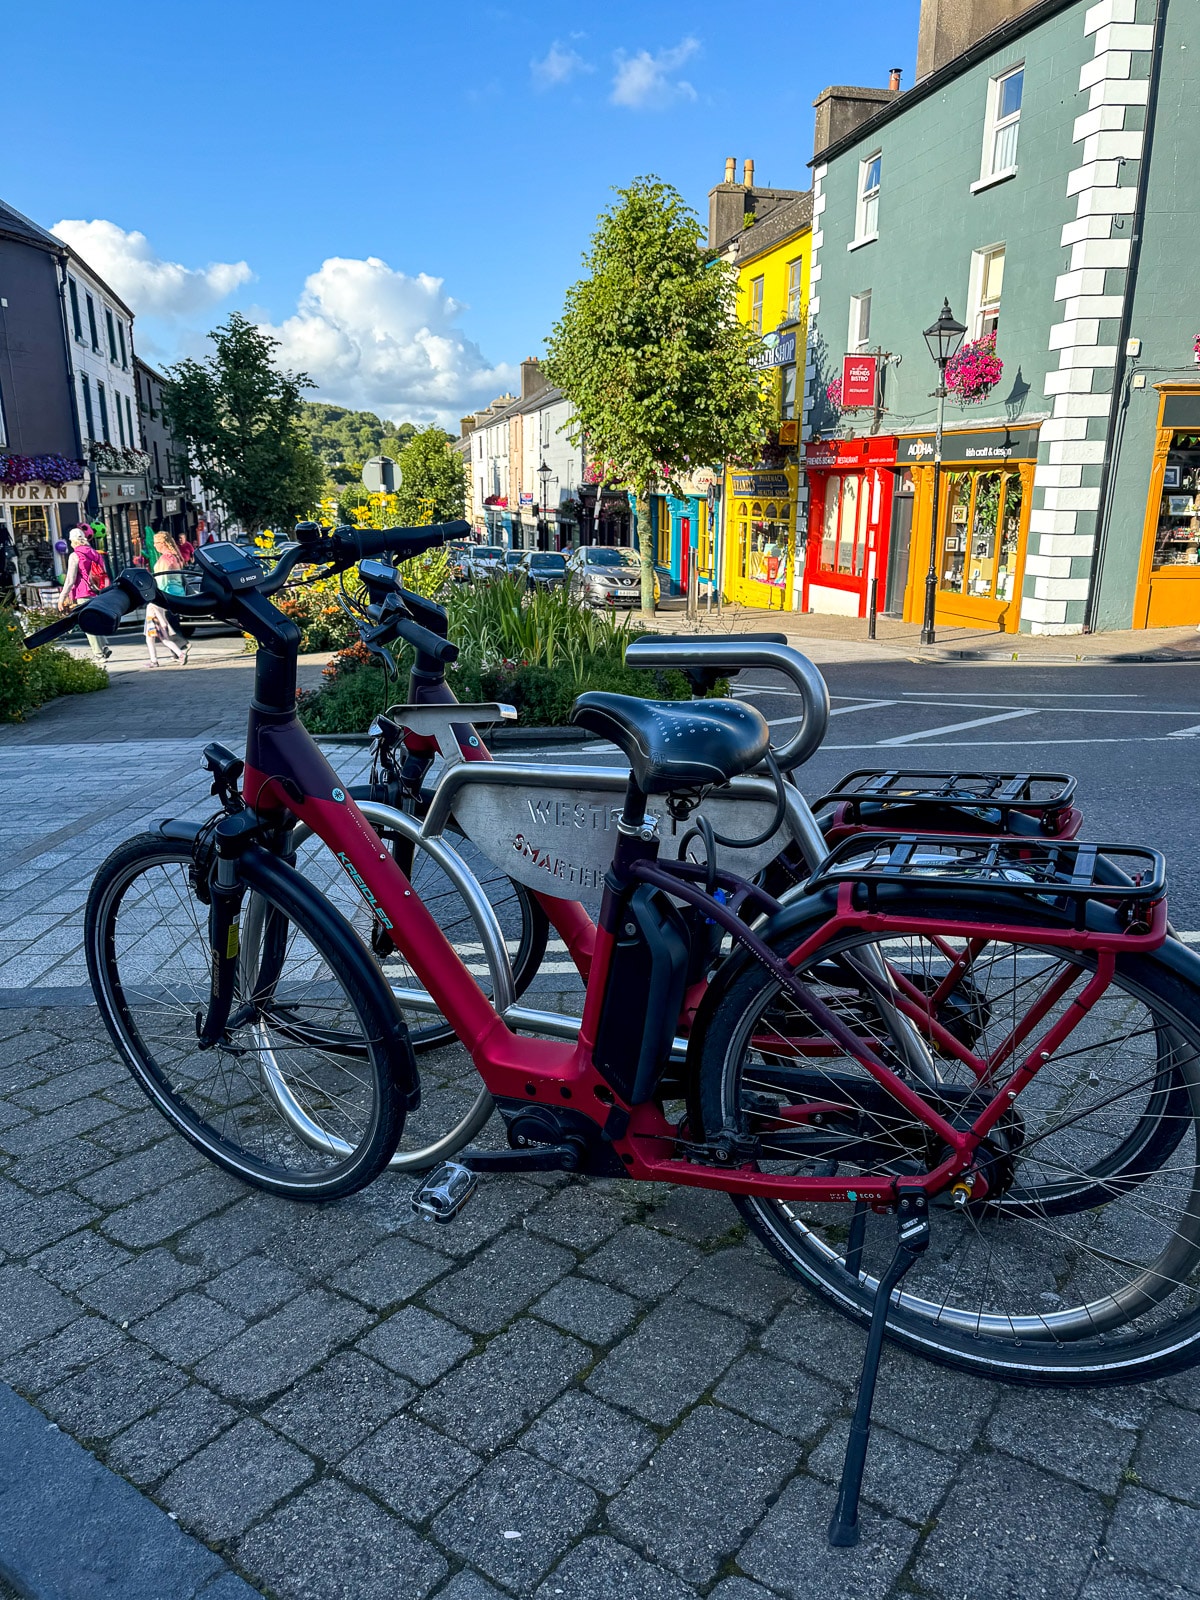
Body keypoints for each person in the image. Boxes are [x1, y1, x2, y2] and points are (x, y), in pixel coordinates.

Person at [57, 528, 111, 664]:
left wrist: (61, 598)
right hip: (98, 591)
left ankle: (98, 654)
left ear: (72, 541)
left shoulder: (75, 556)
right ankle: (104, 646)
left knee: (87, 623)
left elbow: (70, 580)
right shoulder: (95, 553)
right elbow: (102, 573)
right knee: (96, 619)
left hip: (84, 593)